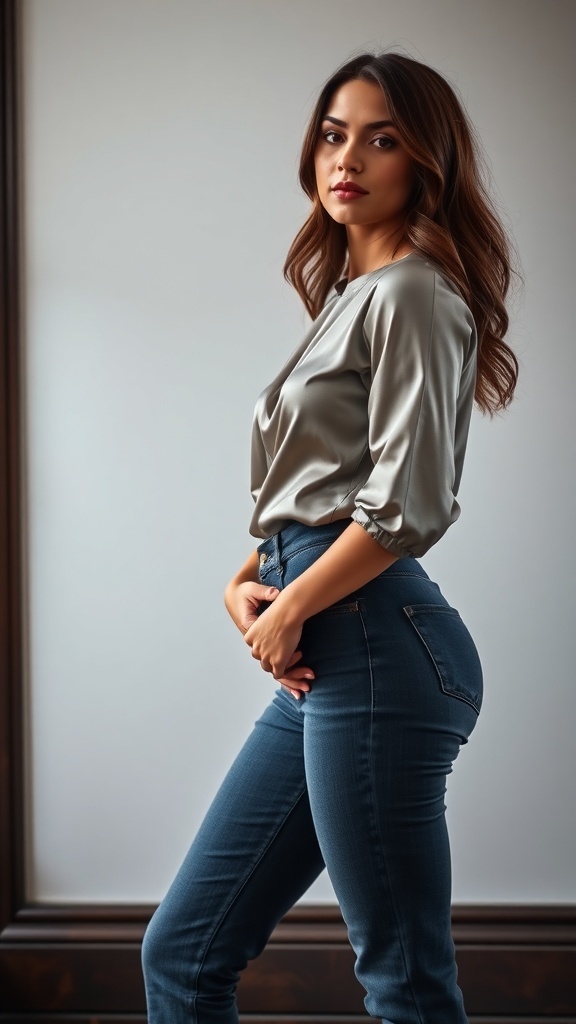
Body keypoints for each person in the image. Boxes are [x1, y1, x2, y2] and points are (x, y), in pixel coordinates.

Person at [141, 50, 518, 1024]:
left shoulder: (417, 294)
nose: (346, 157)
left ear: (425, 162)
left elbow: (407, 503)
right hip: (332, 633)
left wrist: (297, 602)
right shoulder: (354, 297)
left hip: (374, 644)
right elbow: (314, 492)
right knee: (182, 953)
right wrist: (249, 583)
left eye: (381, 138)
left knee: (403, 982)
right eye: (333, 132)